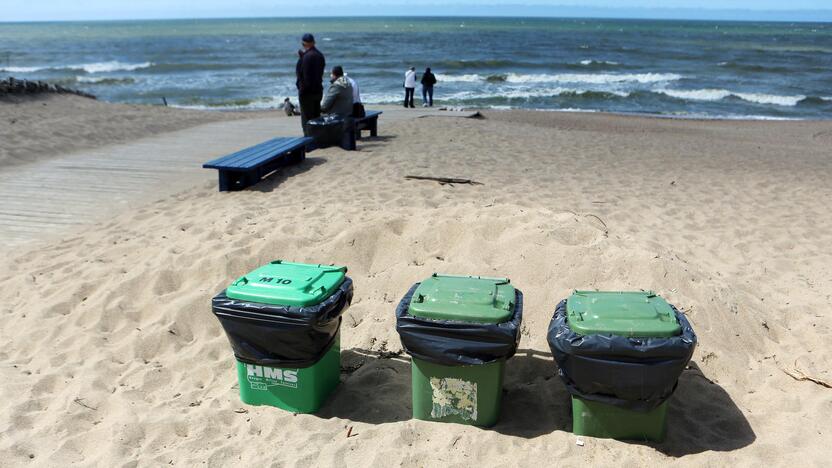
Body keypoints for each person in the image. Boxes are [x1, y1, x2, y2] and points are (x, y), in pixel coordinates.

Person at [295, 33, 326, 136]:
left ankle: (308, 140)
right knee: (316, 117)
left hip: (306, 92)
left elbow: (302, 74)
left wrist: (301, 59)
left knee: (306, 120)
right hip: (318, 90)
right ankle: (317, 138)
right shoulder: (320, 55)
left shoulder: (306, 57)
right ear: (314, 42)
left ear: (303, 44)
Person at [321, 66, 355, 149]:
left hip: (337, 116)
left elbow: (324, 106)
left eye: (331, 74)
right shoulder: (348, 83)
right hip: (348, 113)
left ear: (334, 75)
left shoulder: (336, 86)